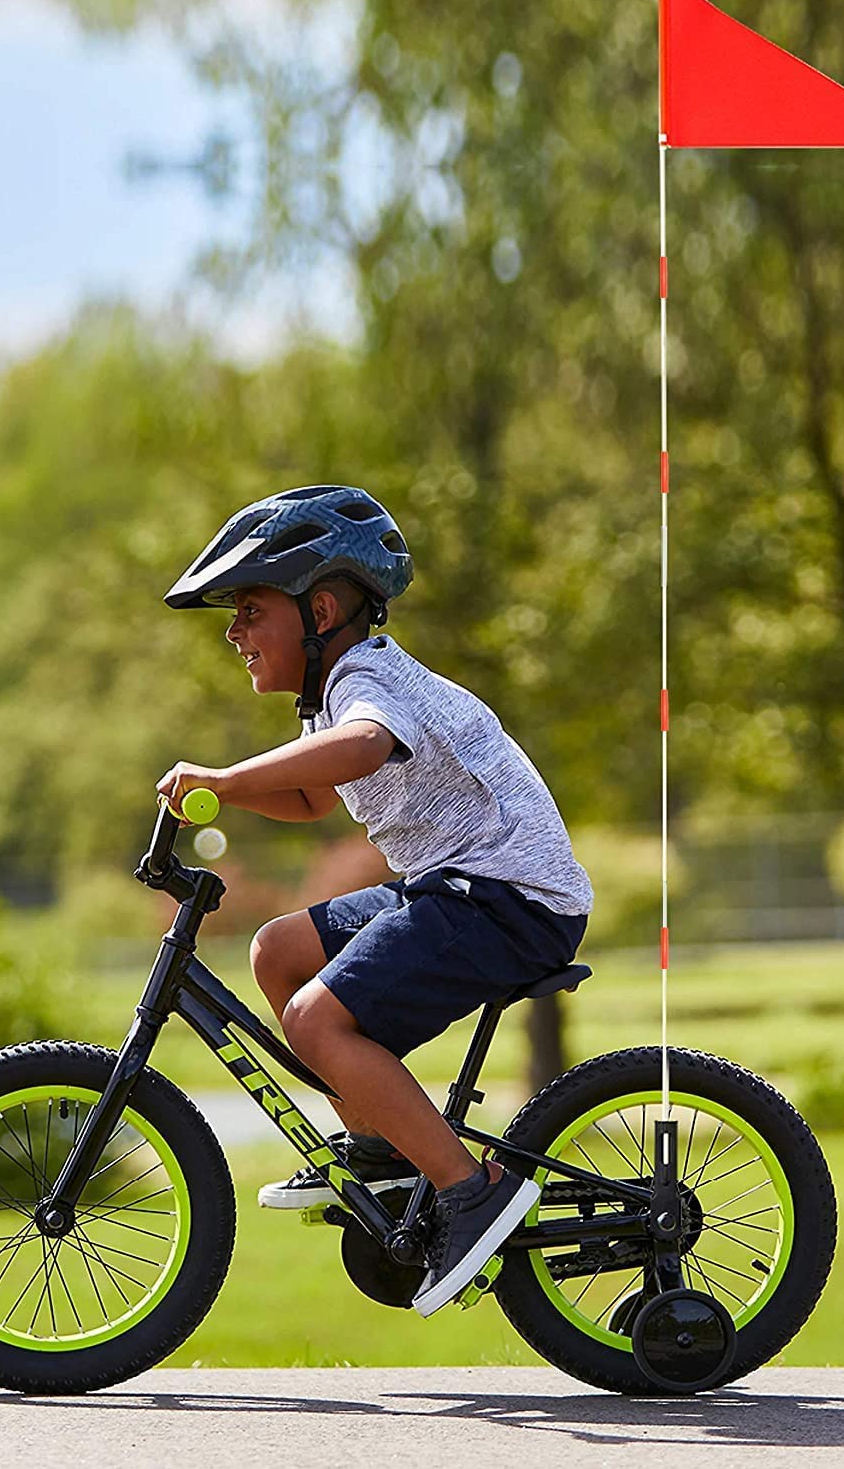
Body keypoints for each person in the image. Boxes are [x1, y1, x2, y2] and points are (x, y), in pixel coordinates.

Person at [157, 485, 593, 1316]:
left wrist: (222, 776)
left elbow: (362, 747)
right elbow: (315, 797)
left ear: (320, 608)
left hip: (507, 897)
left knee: (317, 1021)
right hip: (453, 889)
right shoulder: (330, 692)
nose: (232, 632)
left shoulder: (365, 678)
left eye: (249, 608)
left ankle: (473, 1191)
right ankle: (382, 1155)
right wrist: (229, 794)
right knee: (278, 951)